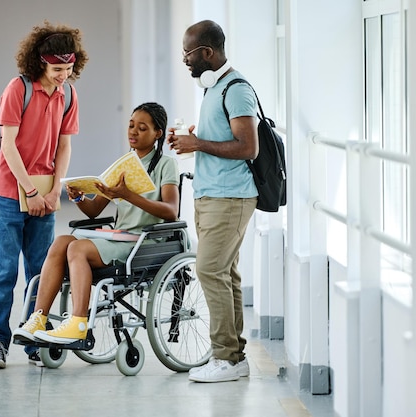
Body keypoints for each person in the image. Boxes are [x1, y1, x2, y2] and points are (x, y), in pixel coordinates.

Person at [12, 102, 179, 347]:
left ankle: (79, 323)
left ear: (158, 134)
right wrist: (79, 196)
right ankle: (38, 318)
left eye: (142, 128)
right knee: (61, 242)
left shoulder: (166, 165)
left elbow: (171, 212)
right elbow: (93, 211)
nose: (133, 131)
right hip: (120, 238)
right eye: (131, 125)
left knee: (77, 249)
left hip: (145, 243)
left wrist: (128, 195)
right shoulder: (125, 164)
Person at [0, 21, 88, 369]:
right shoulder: (19, 89)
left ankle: (33, 341)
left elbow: (64, 145)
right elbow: (7, 146)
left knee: (40, 273)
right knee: (4, 273)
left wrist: (55, 188)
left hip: (45, 192)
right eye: (58, 69)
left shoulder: (69, 95)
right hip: (9, 191)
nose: (64, 75)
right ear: (40, 62)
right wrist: (30, 190)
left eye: (69, 68)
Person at [168, 20, 259, 383]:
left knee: (208, 270)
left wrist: (198, 144)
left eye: (188, 54)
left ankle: (226, 358)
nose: (185, 61)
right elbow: (225, 137)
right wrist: (197, 135)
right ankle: (234, 357)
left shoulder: (236, 89)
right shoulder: (214, 89)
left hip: (230, 197)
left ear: (206, 52)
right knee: (226, 274)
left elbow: (248, 147)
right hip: (211, 195)